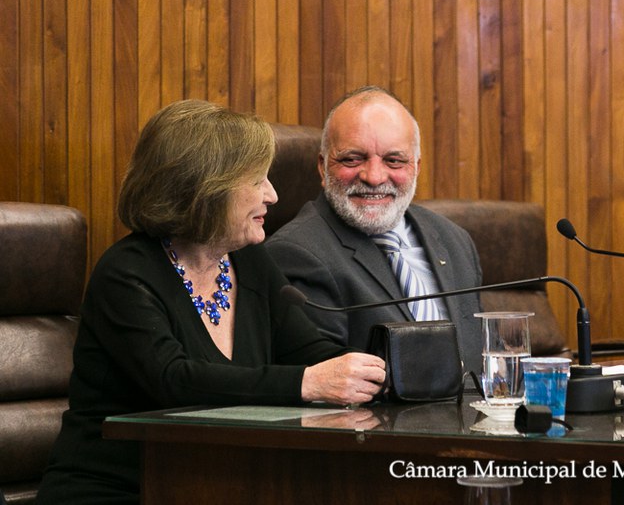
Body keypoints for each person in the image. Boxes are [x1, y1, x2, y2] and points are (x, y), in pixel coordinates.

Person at [36, 99, 386, 505]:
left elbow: (313, 353)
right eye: (257, 180)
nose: (273, 195)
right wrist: (305, 383)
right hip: (117, 489)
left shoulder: (250, 261)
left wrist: (374, 371)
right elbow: (174, 381)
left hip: (218, 483)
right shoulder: (126, 273)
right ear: (206, 189)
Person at [265, 86, 483, 374]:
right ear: (322, 167)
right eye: (352, 159)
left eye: (394, 160)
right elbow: (325, 382)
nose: (374, 177)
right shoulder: (296, 253)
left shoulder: (455, 239)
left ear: (416, 167)